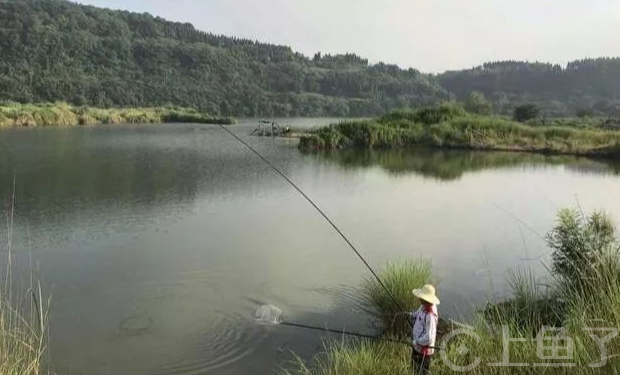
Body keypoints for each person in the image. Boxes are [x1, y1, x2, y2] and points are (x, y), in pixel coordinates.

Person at [410, 284, 439, 374]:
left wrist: (417, 342)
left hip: (424, 351)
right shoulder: (424, 306)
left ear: (425, 299)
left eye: (421, 297)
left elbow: (429, 337)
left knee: (421, 371)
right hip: (417, 346)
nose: (419, 298)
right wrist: (410, 315)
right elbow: (418, 314)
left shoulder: (430, 315)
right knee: (414, 368)